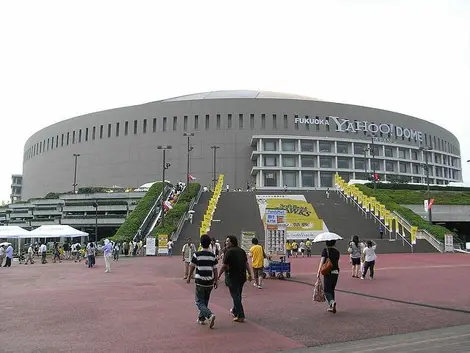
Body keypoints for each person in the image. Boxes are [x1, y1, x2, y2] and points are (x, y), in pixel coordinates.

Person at [218, 235, 254, 323]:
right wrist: (250, 273)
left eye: (227, 241)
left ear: (232, 242)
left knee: (235, 295)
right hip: (242, 276)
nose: (226, 243)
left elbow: (224, 266)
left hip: (232, 276)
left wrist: (218, 276)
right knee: (238, 294)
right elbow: (246, 263)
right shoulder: (241, 251)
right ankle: (235, 310)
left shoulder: (229, 252)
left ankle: (241, 315)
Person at [187, 234, 218, 328]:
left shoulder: (197, 254)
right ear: (209, 244)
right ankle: (201, 318)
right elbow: (215, 269)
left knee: (199, 301)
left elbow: (192, 266)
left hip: (200, 282)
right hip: (209, 282)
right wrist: (216, 280)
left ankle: (209, 315)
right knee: (205, 300)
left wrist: (188, 277)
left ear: (201, 243)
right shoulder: (213, 256)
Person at [316, 240, 340, 314]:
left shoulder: (325, 250)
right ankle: (331, 306)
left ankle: (332, 302)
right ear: (334, 243)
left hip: (328, 272)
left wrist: (318, 271)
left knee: (326, 290)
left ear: (326, 243)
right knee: (332, 289)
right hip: (336, 271)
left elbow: (322, 261)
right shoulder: (337, 252)